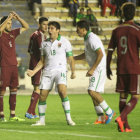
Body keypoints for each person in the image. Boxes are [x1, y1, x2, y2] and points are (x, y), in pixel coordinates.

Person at [27, 21, 76, 126]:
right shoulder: (44, 43)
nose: (49, 30)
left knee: (62, 91)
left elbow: (71, 58)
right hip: (48, 72)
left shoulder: (65, 42)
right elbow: (42, 61)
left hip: (60, 70)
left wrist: (73, 71)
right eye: (49, 28)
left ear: (58, 30)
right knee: (42, 95)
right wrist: (34, 71)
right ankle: (41, 121)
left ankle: (69, 119)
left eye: (52, 28)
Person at [107, 2, 140, 132]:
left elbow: (110, 50)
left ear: (122, 14)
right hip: (134, 68)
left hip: (121, 68)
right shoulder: (137, 30)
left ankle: (125, 126)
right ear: (135, 13)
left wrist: (108, 67)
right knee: (135, 97)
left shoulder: (116, 30)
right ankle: (122, 117)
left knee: (123, 96)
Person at [74, 20, 114, 125]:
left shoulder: (92, 39)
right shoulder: (87, 38)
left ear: (84, 29)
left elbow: (100, 54)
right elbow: (86, 54)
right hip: (96, 68)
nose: (76, 31)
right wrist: (74, 58)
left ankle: (109, 112)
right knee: (92, 92)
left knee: (92, 91)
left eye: (78, 29)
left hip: (99, 68)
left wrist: (92, 69)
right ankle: (100, 118)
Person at [0, 11, 29, 122]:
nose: (10, 24)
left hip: (13, 66)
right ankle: (1, 116)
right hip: (4, 66)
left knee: (14, 90)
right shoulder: (1, 34)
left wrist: (18, 18)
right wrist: (7, 18)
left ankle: (12, 115)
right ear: (3, 23)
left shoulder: (13, 33)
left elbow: (26, 26)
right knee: (2, 91)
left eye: (11, 23)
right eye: (8, 23)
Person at [25, 17, 48, 119]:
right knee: (38, 89)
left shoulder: (33, 34)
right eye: (44, 24)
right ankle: (30, 111)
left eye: (47, 24)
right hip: (38, 65)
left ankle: (32, 112)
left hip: (33, 63)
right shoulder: (40, 36)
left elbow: (29, 50)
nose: (46, 26)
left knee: (37, 88)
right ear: (39, 24)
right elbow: (43, 52)